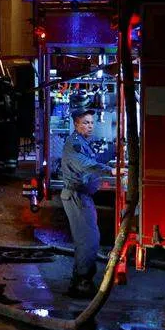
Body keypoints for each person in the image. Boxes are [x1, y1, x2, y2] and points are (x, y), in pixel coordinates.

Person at [59, 95, 112, 298]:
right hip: (77, 196)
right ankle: (82, 283)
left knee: (88, 238)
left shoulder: (82, 142)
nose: (90, 126)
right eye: (85, 123)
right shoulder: (74, 144)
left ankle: (80, 280)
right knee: (88, 240)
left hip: (81, 197)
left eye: (91, 122)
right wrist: (110, 170)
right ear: (76, 124)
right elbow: (85, 164)